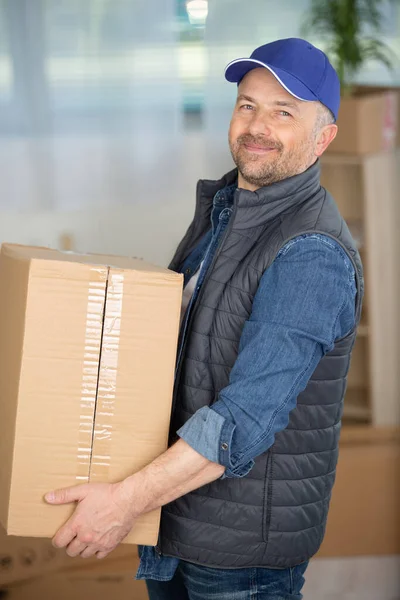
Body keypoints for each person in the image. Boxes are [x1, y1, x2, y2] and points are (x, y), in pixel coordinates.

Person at [45, 38, 363, 600]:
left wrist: (122, 502)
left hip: (241, 556)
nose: (257, 125)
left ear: (323, 138)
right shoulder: (227, 213)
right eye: (248, 105)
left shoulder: (310, 253)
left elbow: (242, 420)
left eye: (284, 112)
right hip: (177, 527)